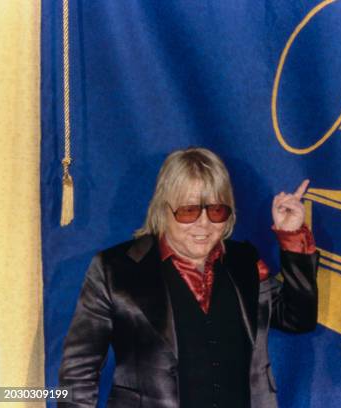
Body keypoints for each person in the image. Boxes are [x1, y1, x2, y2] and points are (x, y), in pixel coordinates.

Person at [59, 147, 319, 408]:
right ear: (164, 209)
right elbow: (78, 373)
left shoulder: (245, 262)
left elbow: (298, 318)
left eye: (216, 211)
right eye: (189, 211)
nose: (203, 224)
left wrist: (292, 237)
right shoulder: (114, 269)